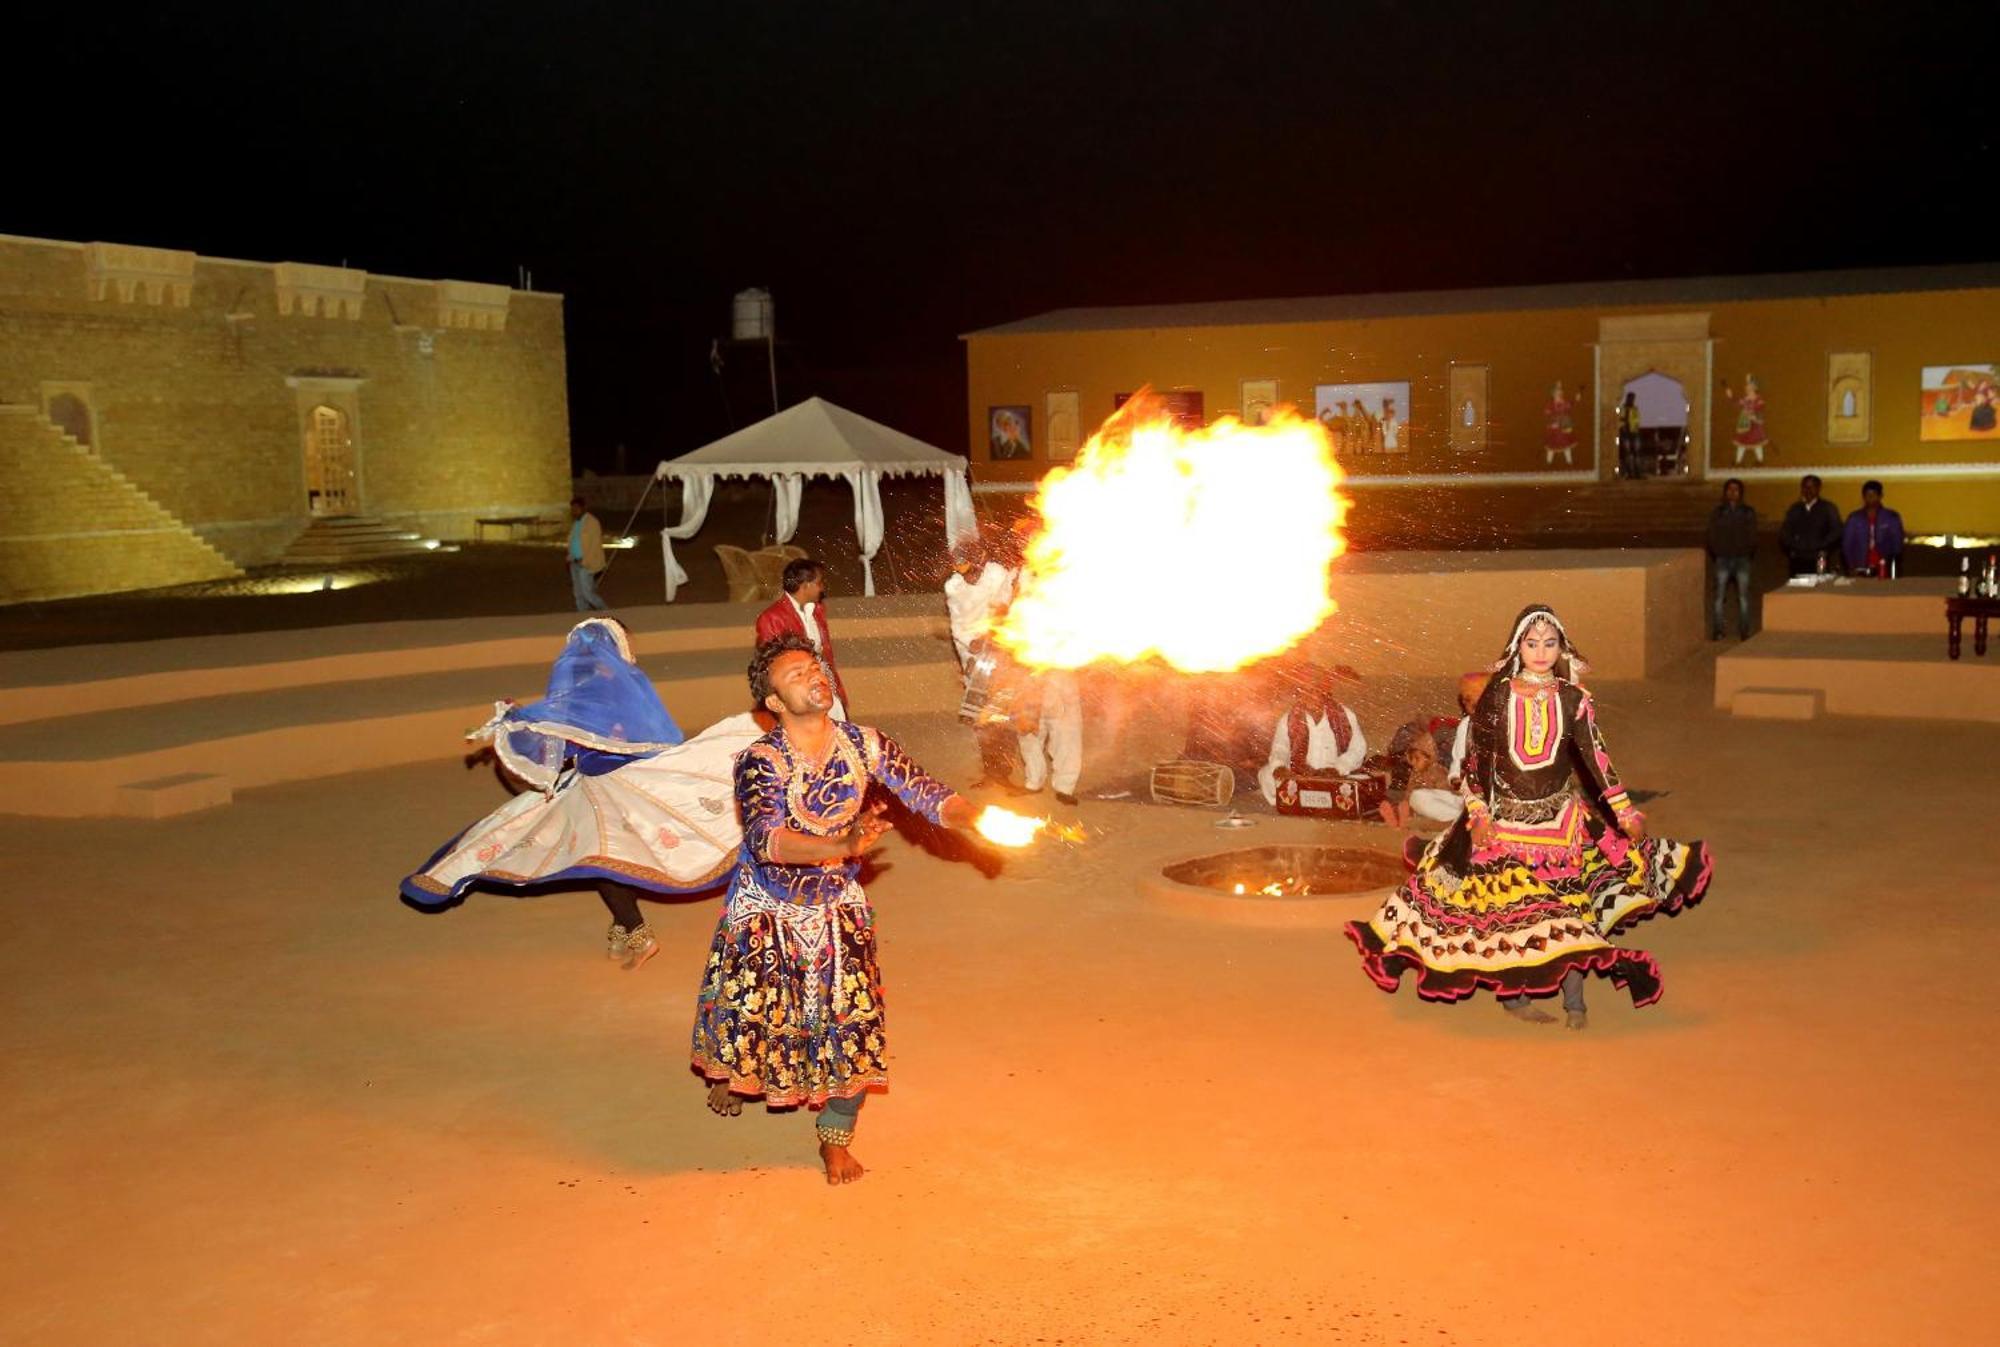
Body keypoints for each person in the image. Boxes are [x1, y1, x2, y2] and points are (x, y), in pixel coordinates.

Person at [690, 635, 981, 1186]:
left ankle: (834, 1138)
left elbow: (925, 792)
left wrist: (969, 816)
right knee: (750, 1013)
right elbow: (766, 840)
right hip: (767, 909)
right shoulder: (760, 761)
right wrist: (839, 847)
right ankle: (731, 1073)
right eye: (795, 674)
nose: (812, 675)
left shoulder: (865, 744)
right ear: (773, 703)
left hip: (835, 910)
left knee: (852, 1023)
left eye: (814, 666)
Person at [1345, 604, 1714, 1029]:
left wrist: (1623, 810)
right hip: (1505, 827)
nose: (1541, 651)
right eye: (1532, 642)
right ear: (1518, 647)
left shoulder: (1574, 700)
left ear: (1561, 649)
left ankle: (1575, 1003)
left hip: (1561, 826)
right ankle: (1515, 998)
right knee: (1514, 917)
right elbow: (1475, 764)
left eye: (1550, 643)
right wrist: (1480, 812)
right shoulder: (1497, 698)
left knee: (1568, 911)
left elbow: (1596, 760)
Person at [400, 617, 768, 969]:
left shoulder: (587, 691)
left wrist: (514, 723)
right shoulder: (620, 685)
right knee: (607, 854)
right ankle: (626, 927)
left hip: (607, 789)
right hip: (617, 786)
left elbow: (560, 747)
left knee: (603, 856)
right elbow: (648, 741)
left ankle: (635, 930)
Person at [944, 550, 1022, 789]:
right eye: (960, 569)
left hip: (1000, 651)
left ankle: (1004, 772)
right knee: (981, 719)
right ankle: (990, 771)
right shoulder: (953, 586)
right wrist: (970, 649)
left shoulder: (997, 574)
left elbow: (1004, 606)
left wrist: (990, 635)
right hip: (973, 656)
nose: (967, 576)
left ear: (980, 559)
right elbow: (957, 625)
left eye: (970, 569)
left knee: (1002, 714)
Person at [1257, 663, 1367, 807]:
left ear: (1324, 690)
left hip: (1335, 774)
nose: (1308, 695)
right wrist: (1279, 766)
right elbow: (1280, 747)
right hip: (1301, 774)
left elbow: (1358, 749)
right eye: (1303, 691)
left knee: (1359, 783)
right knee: (1265, 774)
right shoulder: (1289, 718)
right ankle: (1302, 799)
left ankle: (1299, 799)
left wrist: (1338, 768)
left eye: (1313, 690)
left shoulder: (1344, 715)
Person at [755, 557, 849, 716]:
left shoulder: (817, 610)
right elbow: (774, 666)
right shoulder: (771, 618)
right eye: (819, 583)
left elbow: (825, 653)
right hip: (799, 692)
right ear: (805, 586)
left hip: (823, 681)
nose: (822, 588)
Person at [1014, 667, 1083, 806]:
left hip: (1062, 689)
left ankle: (1065, 788)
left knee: (1067, 741)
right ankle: (1033, 782)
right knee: (1029, 739)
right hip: (1030, 684)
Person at [1706, 477, 1758, 640]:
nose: (1732, 493)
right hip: (1722, 559)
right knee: (1719, 598)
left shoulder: (1748, 512)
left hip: (1742, 559)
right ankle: (1718, 630)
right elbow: (1711, 534)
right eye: (1729, 489)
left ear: (1741, 493)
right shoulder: (1718, 512)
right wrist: (1717, 551)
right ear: (1725, 492)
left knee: (1743, 597)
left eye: (1736, 490)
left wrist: (1746, 551)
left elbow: (1753, 535)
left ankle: (1744, 630)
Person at [1779, 474, 1843, 575]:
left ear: (1818, 488)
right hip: (1798, 557)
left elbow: (1837, 531)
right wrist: (1793, 547)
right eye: (1805, 487)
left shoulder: (1828, 508)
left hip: (1820, 557)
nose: (1808, 490)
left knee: (1819, 588)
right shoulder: (1795, 509)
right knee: (1798, 589)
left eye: (1811, 487)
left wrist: (1822, 545)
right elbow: (1785, 531)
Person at [1842, 480, 1905, 578]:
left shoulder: (1891, 517)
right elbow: (1847, 545)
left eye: (1873, 494)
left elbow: (1897, 544)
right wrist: (1851, 566)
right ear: (1863, 497)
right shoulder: (1854, 518)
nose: (1870, 498)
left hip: (1884, 565)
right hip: (1860, 566)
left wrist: (1893, 566)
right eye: (1867, 495)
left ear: (1880, 496)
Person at [567, 496, 609, 612]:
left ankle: (606, 610)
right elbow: (573, 540)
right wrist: (570, 556)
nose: (574, 511)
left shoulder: (592, 522)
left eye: (576, 508)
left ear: (583, 508)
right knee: (578, 594)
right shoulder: (576, 523)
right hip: (574, 562)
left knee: (587, 594)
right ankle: (582, 615)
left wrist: (586, 561)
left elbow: (595, 545)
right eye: (572, 509)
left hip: (586, 563)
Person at [1616, 392, 1644, 480]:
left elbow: (1637, 420)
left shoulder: (1634, 409)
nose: (1632, 400)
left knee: (1636, 454)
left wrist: (1636, 427)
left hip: (1634, 433)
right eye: (1631, 398)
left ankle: (1637, 473)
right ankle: (1630, 473)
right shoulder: (1624, 409)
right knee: (1628, 454)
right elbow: (1620, 419)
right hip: (1626, 434)